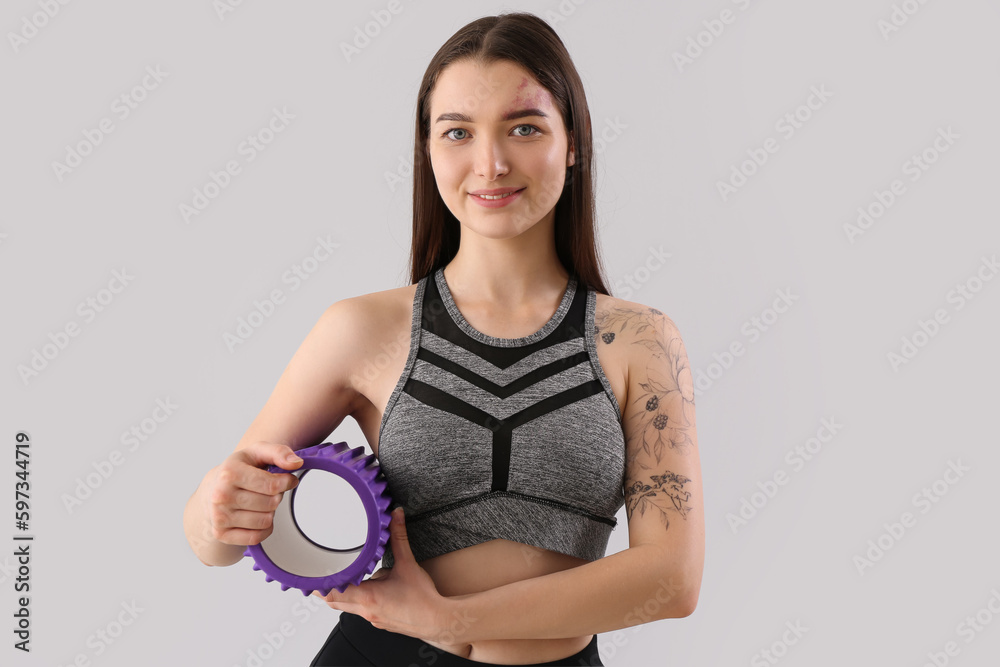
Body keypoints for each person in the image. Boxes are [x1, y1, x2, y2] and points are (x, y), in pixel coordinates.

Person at [183, 11, 704, 666]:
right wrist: (212, 507)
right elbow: (222, 535)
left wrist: (451, 618)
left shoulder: (640, 340)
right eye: (457, 131)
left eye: (523, 127)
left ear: (572, 142)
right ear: (427, 149)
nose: (490, 163)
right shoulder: (362, 329)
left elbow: (673, 579)